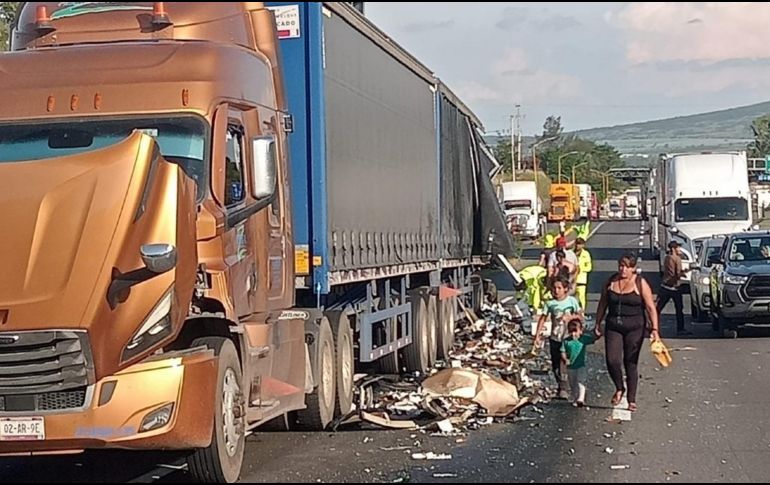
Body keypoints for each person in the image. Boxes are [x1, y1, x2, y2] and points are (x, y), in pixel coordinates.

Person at [595, 253, 659, 412]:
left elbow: (651, 307)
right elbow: (603, 303)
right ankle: (619, 387)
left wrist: (655, 330)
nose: (623, 269)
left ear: (633, 268)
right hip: (614, 326)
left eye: (627, 267)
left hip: (635, 327)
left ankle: (631, 399)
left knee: (630, 362)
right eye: (621, 266)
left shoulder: (640, 283)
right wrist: (598, 322)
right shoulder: (611, 282)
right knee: (612, 360)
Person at [534, 276, 583, 400]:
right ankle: (561, 385)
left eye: (559, 288)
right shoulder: (550, 303)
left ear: (566, 289)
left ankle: (566, 387)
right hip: (555, 337)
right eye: (554, 288)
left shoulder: (572, 301)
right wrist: (537, 335)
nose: (556, 291)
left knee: (565, 361)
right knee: (556, 363)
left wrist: (570, 318)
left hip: (569, 338)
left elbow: (580, 316)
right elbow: (543, 318)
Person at [561, 319, 601, 407]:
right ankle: (576, 398)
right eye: (571, 331)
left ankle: (581, 398)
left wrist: (598, 334)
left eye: (575, 331)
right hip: (570, 367)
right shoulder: (566, 341)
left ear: (580, 331)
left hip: (581, 365)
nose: (573, 334)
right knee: (572, 383)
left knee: (581, 381)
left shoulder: (583, 339)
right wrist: (565, 359)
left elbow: (592, 339)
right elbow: (562, 351)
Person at [657, 241, 690, 336]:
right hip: (674, 288)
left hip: (665, 286)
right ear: (673, 249)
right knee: (679, 309)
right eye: (678, 248)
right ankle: (680, 329)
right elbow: (676, 274)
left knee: (658, 309)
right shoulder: (676, 259)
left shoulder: (666, 258)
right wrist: (685, 272)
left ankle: (653, 327)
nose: (680, 250)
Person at [574, 237, 593, 310]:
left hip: (581, 279)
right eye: (577, 244)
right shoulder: (571, 253)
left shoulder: (586, 254)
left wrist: (581, 269)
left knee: (581, 297)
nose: (577, 246)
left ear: (583, 245)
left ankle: (582, 312)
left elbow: (589, 267)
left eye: (579, 244)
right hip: (572, 279)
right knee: (572, 298)